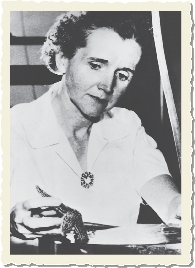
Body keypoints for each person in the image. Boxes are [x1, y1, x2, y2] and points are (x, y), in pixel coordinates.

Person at [10, 11, 181, 243]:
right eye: (96, 65)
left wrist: (181, 209)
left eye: (122, 74)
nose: (108, 86)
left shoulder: (126, 126)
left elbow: (168, 198)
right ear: (62, 59)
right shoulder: (13, 128)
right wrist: (11, 225)